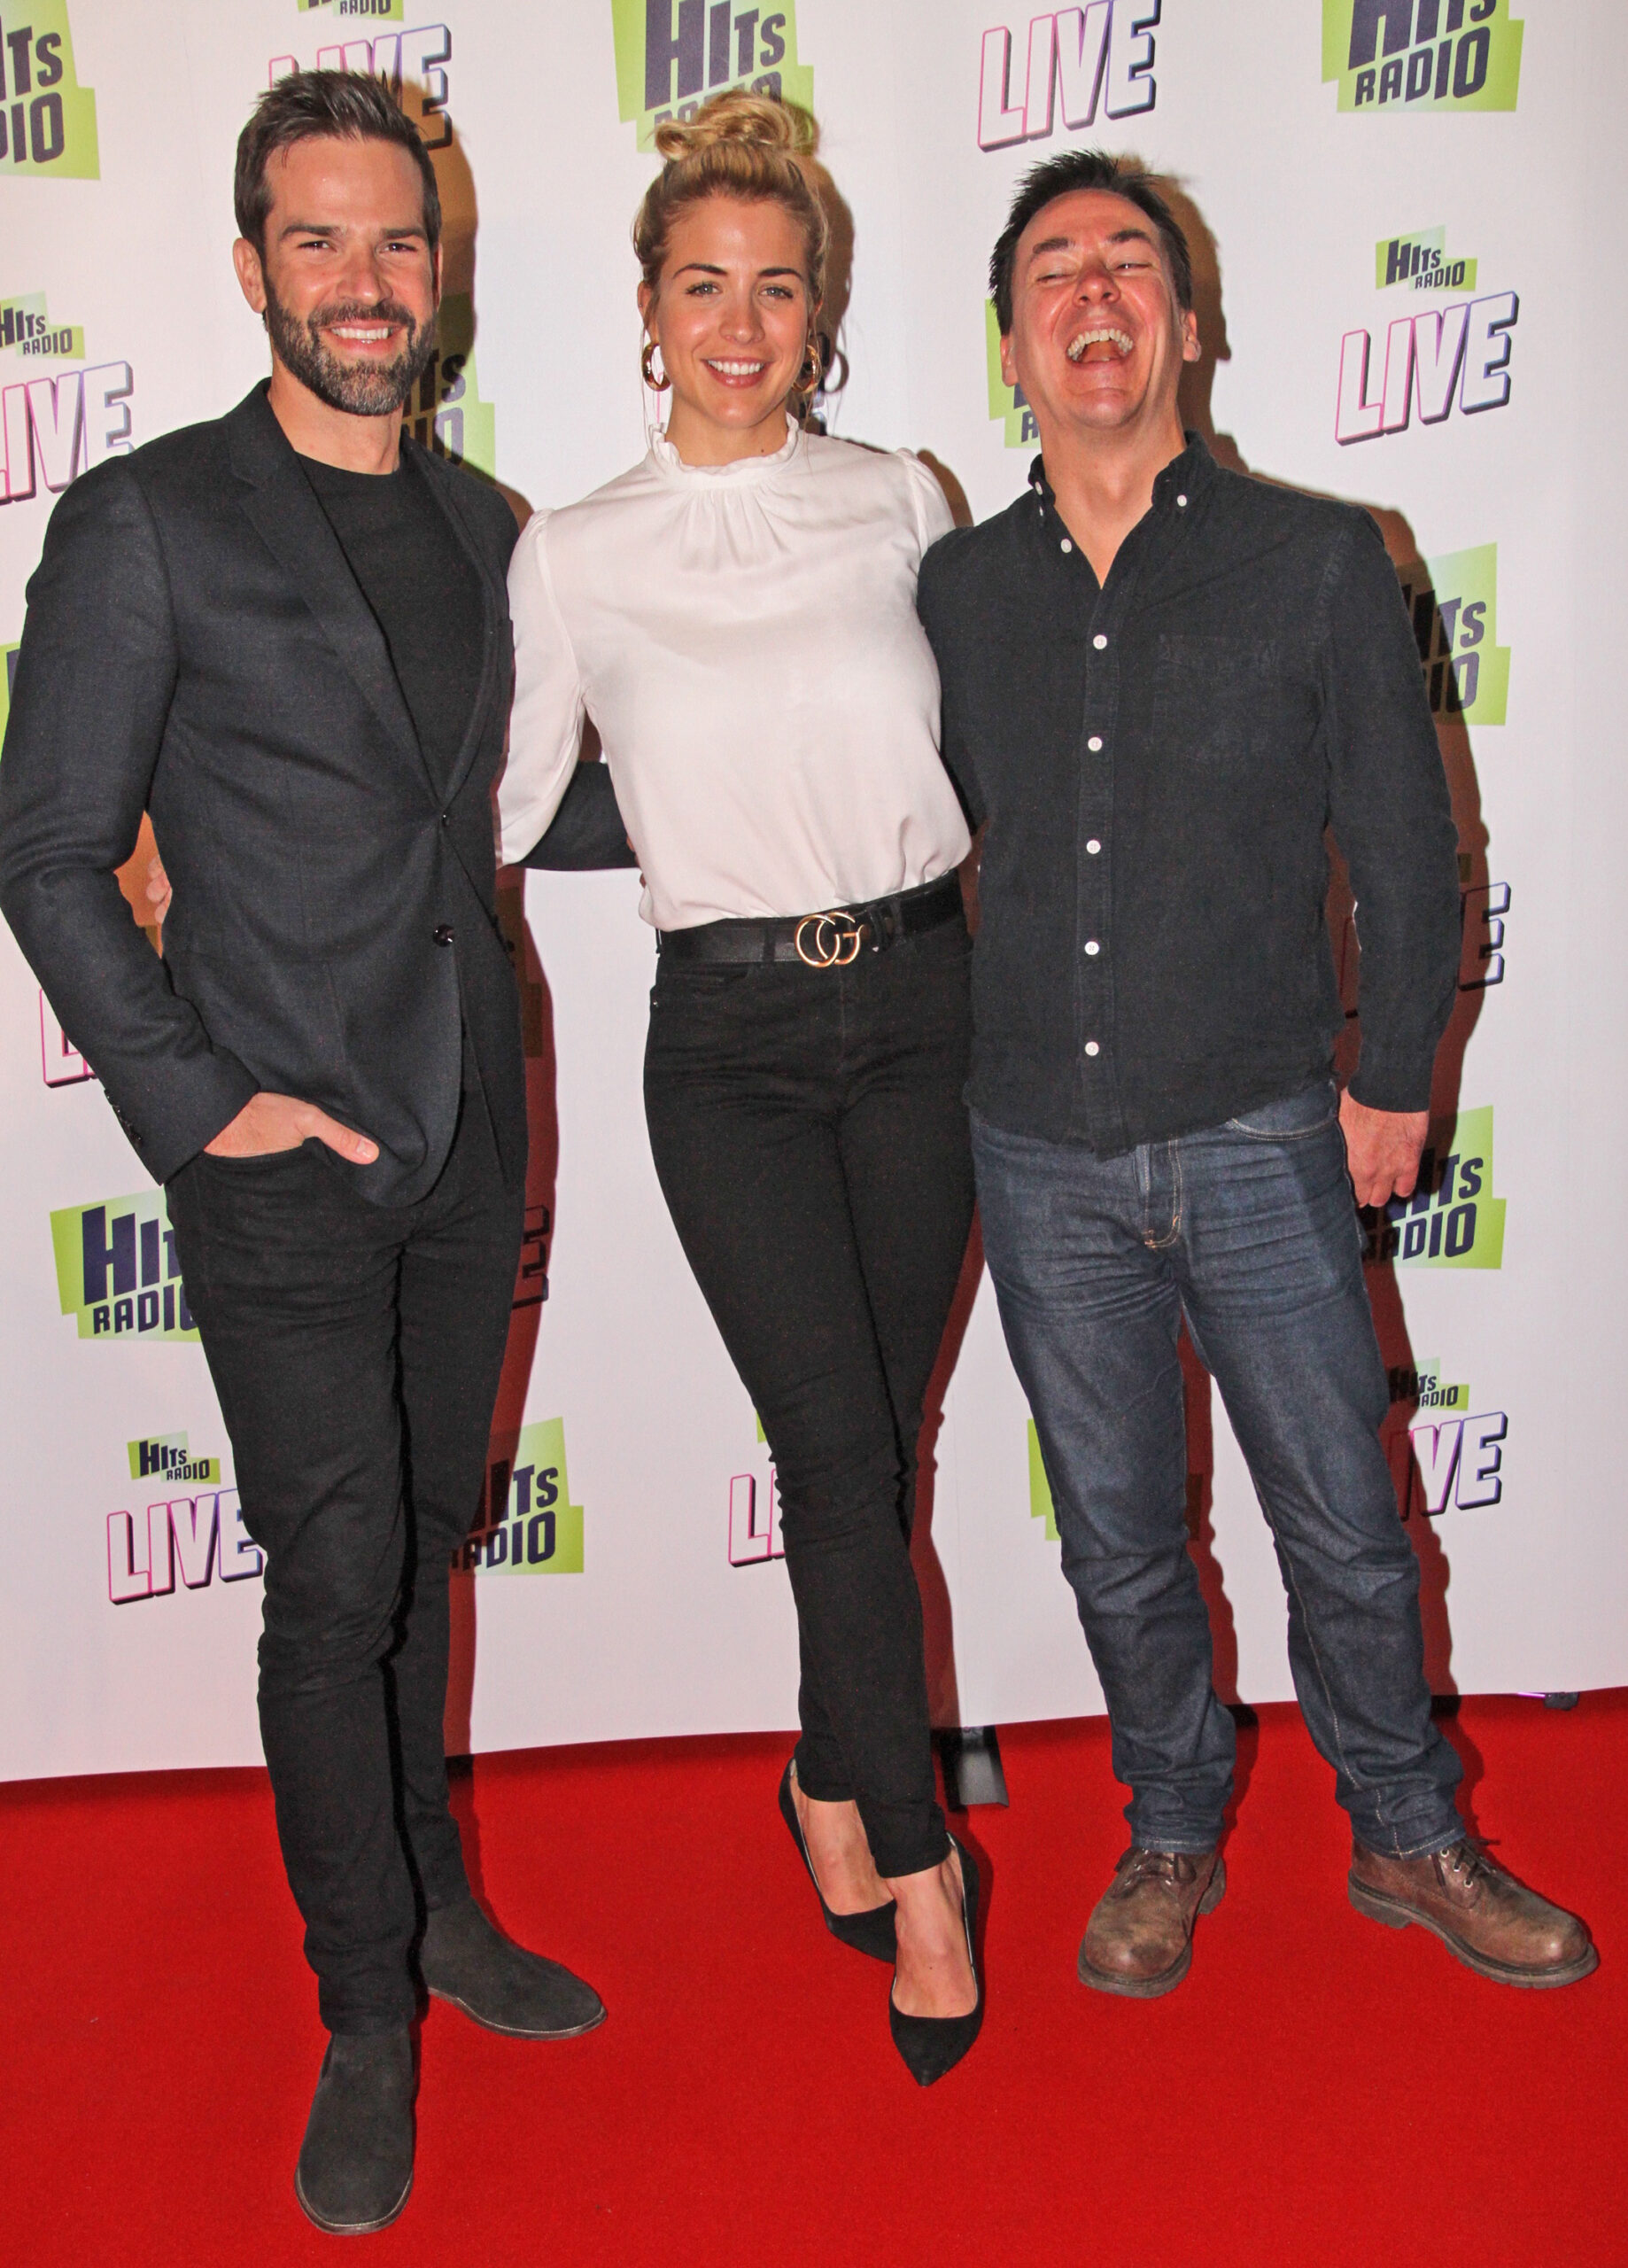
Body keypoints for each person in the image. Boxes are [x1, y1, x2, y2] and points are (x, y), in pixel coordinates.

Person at [0, 72, 616, 2237]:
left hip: (470, 1125)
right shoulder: (150, 520)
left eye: (400, 242)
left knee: (430, 1547)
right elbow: (50, 850)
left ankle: (439, 1907)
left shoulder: (495, 525)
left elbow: (547, 799)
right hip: (272, 1155)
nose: (368, 284)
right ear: (253, 264)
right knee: (335, 1576)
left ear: (437, 273)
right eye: (324, 243)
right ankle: (364, 2004)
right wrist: (199, 1102)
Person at [916, 149, 1595, 2001]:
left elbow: (1407, 840)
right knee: (1124, 1541)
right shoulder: (955, 588)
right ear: (1011, 343)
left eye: (1130, 264)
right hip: (1037, 1147)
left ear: (1188, 324)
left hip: (1265, 1127)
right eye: (1053, 271)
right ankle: (1170, 1826)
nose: (1094, 297)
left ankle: (1405, 1827)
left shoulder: (1318, 555)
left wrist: (1392, 1073)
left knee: (1345, 1524)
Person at [499, 91, 983, 2083]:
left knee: (880, 1437)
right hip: (732, 1050)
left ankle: (825, 1774)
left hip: (934, 1008)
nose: (740, 319)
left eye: (776, 286)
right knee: (836, 1449)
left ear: (819, 308)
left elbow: (983, 743)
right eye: (703, 283)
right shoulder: (576, 550)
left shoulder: (902, 497)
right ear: (645, 305)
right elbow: (509, 805)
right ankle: (925, 1872)